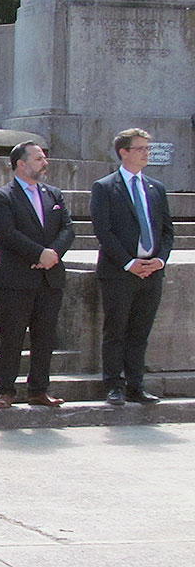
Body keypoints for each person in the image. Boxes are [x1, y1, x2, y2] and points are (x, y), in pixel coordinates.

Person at [90, 128, 173, 405]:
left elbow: (166, 230)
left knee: (140, 331)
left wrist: (158, 260)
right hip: (119, 271)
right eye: (140, 149)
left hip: (152, 272)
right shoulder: (104, 187)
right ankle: (114, 385)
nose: (146, 154)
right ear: (123, 152)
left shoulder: (155, 188)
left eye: (148, 149)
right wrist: (129, 262)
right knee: (116, 330)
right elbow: (103, 230)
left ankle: (136, 384)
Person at [0, 142, 75, 408]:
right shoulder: (3, 196)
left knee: (45, 335)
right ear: (21, 164)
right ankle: (6, 389)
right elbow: (8, 233)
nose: (44, 163)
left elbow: (68, 228)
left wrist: (53, 254)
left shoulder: (54, 194)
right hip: (16, 278)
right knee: (12, 335)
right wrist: (39, 254)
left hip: (49, 278)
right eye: (38, 158)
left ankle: (39, 389)